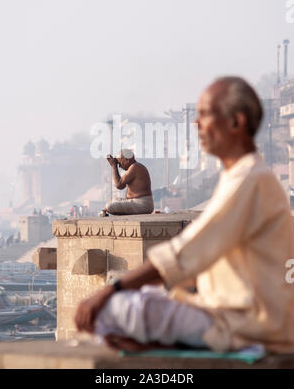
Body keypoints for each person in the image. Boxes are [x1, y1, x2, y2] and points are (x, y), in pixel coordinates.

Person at [75, 76, 294, 354]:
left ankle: (161, 342)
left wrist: (111, 291)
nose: (196, 123)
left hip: (246, 324)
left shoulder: (250, 179)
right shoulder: (247, 175)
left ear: (236, 123)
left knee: (112, 308)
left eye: (204, 114)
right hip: (236, 314)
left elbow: (184, 252)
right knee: (144, 296)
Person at [105, 149, 154, 215]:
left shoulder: (135, 167)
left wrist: (114, 166)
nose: (119, 166)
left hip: (142, 204)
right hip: (137, 202)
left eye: (119, 163)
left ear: (127, 160)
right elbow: (122, 186)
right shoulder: (136, 167)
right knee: (112, 200)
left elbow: (119, 184)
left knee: (110, 206)